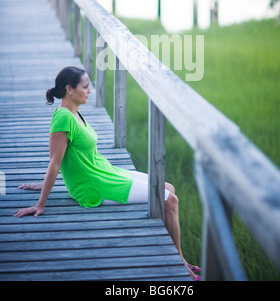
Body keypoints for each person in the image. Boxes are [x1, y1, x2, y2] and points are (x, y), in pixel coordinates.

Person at [14, 66, 201, 280]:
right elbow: (55, 162)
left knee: (168, 188)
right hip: (96, 186)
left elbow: (67, 159)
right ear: (69, 89)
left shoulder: (75, 111)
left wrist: (43, 183)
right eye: (85, 87)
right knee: (171, 201)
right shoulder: (63, 118)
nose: (89, 91)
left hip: (105, 172)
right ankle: (180, 262)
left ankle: (180, 258)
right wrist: (40, 203)